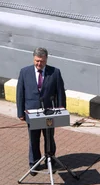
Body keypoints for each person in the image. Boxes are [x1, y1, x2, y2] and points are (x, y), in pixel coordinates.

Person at [16, 47, 66, 175]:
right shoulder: (24, 72)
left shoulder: (55, 73)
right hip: (32, 113)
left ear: (46, 60)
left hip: (49, 113)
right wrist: (20, 112)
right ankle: (34, 164)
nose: (39, 64)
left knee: (49, 137)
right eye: (37, 61)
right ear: (33, 59)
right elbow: (20, 93)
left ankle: (51, 161)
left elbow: (60, 92)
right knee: (33, 138)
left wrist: (61, 109)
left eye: (42, 61)